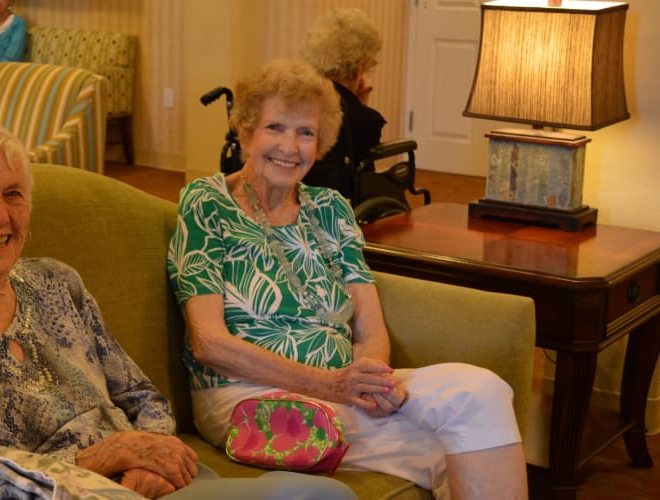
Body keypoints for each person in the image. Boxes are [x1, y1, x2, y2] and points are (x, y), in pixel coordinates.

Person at [0, 118, 356, 500]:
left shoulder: (55, 283)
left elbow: (144, 399)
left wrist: (147, 459)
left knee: (318, 494)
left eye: (13, 194)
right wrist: (108, 458)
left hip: (155, 483)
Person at [166, 59, 529, 500]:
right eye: (275, 127)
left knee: (484, 392)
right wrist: (329, 385)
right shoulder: (207, 202)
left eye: (306, 133)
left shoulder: (331, 208)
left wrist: (370, 377)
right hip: (247, 395)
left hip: (342, 390)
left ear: (320, 144)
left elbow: (369, 326)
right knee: (460, 445)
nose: (290, 146)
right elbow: (208, 343)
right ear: (244, 133)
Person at [299, 7, 387, 200]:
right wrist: (361, 106)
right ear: (360, 66)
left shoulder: (297, 98)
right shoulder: (362, 119)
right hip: (333, 206)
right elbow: (363, 162)